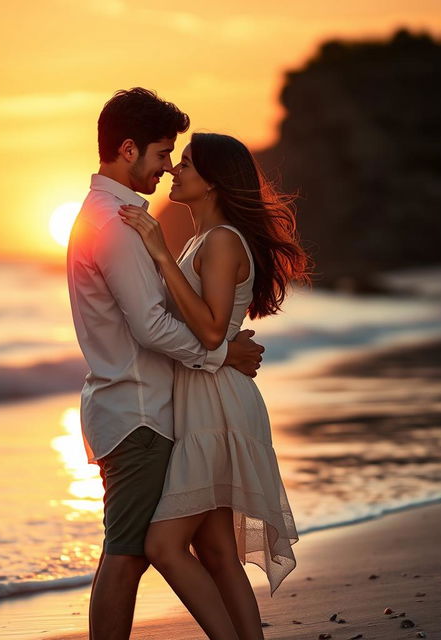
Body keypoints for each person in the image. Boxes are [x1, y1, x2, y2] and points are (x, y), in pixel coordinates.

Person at [66, 88, 265, 640]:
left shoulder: (118, 218)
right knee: (129, 553)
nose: (168, 166)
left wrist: (218, 343)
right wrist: (224, 351)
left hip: (155, 410)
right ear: (127, 150)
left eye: (178, 158)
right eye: (161, 153)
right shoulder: (114, 223)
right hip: (139, 415)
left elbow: (172, 313)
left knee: (198, 547)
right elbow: (151, 325)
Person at [117, 131, 312, 640]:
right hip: (204, 395)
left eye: (186, 164)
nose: (174, 172)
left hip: (218, 405)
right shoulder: (203, 240)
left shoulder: (222, 240)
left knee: (163, 545)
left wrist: (159, 253)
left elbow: (207, 329)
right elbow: (203, 328)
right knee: (218, 552)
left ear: (214, 181)